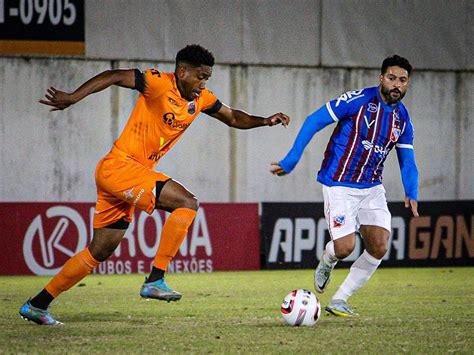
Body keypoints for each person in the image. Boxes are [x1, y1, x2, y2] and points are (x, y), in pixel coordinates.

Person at [20, 44, 290, 325]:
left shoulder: (202, 99)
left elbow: (233, 117)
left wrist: (265, 121)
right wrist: (74, 97)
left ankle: (37, 305)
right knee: (187, 202)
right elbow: (114, 75)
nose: (203, 84)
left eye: (207, 78)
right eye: (200, 76)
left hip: (125, 173)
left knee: (101, 249)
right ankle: (156, 279)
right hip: (120, 167)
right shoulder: (158, 83)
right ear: (182, 72)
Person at [271, 55, 418, 317]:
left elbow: (407, 160)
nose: (397, 84)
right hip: (339, 183)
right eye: (392, 78)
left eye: (403, 80)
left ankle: (340, 299)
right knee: (345, 248)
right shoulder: (357, 100)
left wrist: (412, 191)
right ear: (381, 78)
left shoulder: (403, 119)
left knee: (380, 246)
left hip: (372, 187)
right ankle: (328, 260)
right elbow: (314, 121)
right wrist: (292, 158)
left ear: (408, 84)